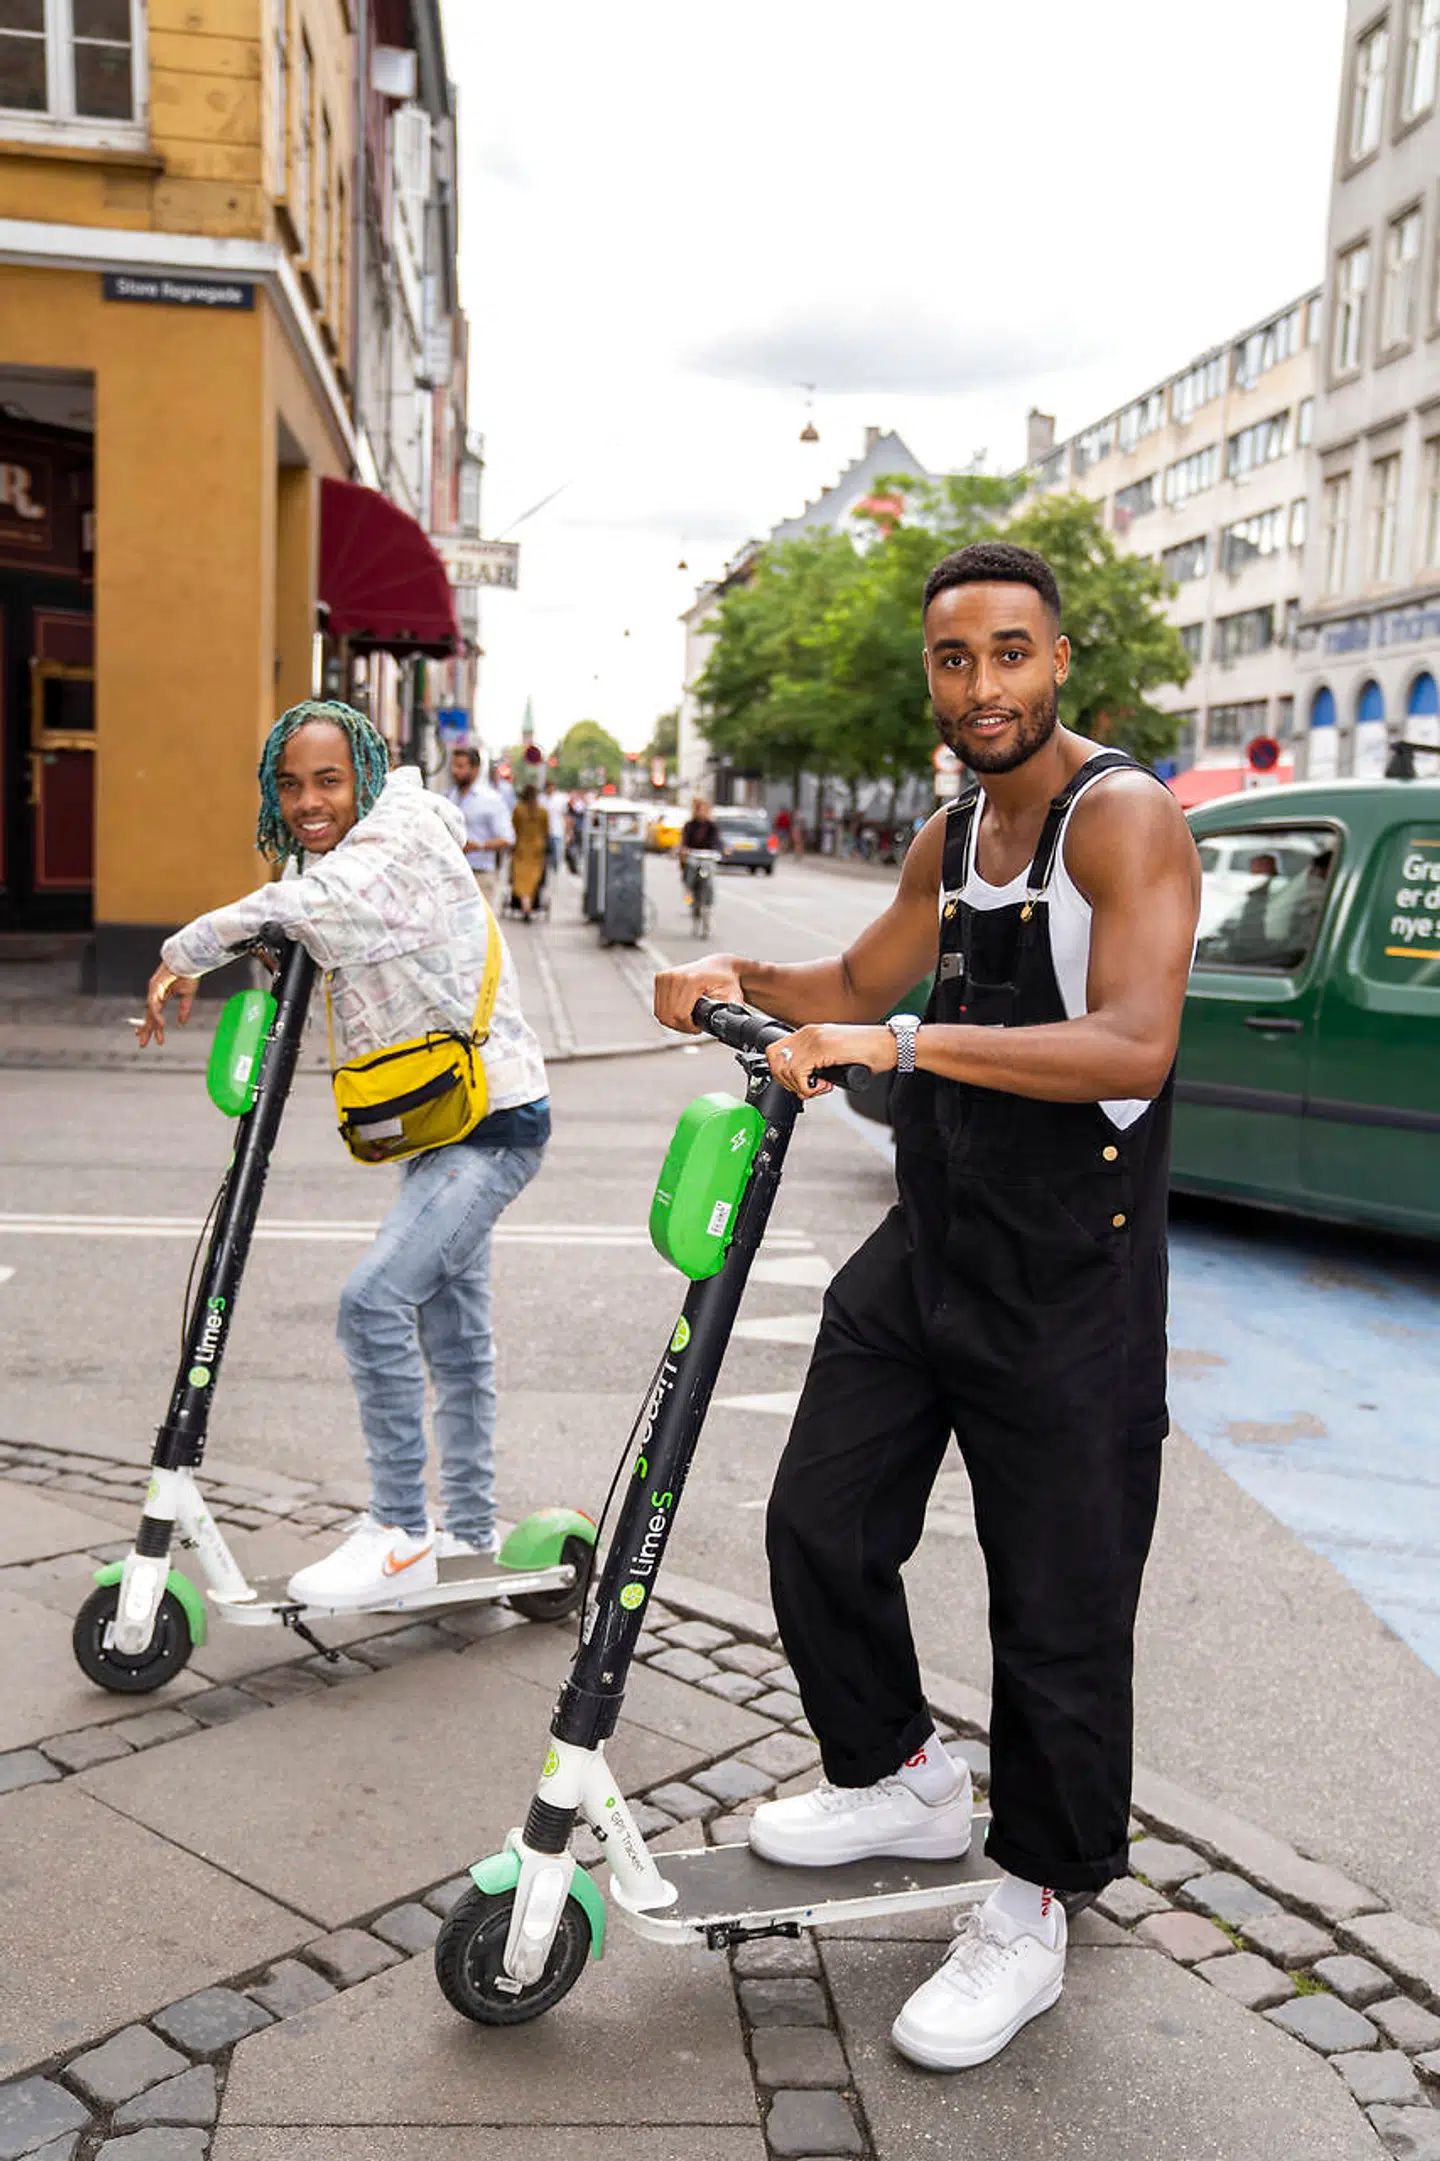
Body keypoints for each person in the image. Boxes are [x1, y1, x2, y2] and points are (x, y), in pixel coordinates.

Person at [654, 542, 1200, 2074]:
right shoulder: (951, 835)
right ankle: (893, 1769)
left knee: (1060, 1605)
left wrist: (902, 1041)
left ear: (1060, 661)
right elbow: (844, 973)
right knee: (820, 1519)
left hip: (1071, 1276)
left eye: (1011, 655)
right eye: (957, 662)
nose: (984, 689)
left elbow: (1132, 1047)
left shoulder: (1125, 822)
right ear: (932, 681)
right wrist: (724, 971)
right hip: (934, 1242)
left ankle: (1034, 1896)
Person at [137, 699, 550, 1608]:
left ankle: (401, 1529)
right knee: (454, 1334)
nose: (307, 801)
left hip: (492, 1122)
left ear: (364, 772)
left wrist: (180, 954)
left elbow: (307, 905)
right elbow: (307, 923)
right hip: (434, 1117)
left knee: (372, 1303)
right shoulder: (336, 849)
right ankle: (469, 1533)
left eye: (327, 781)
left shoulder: (390, 845)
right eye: (289, 784)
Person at [446, 745, 513, 904]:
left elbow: (508, 838)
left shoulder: (491, 800)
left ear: (475, 769)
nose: (455, 771)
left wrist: (479, 846)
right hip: (451, 875)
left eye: (461, 766)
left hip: (480, 875)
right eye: (453, 766)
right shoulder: (449, 796)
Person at [510, 782, 550, 921]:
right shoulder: (543, 811)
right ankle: (528, 904)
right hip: (537, 849)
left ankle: (524, 904)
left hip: (522, 847)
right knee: (533, 878)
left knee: (520, 878)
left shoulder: (518, 810)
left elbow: (513, 828)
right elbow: (546, 830)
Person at [542, 780, 568, 877]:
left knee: (556, 855)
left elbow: (565, 815)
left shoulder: (560, 799)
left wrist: (567, 831)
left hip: (557, 831)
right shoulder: (541, 799)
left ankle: (554, 871)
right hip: (544, 833)